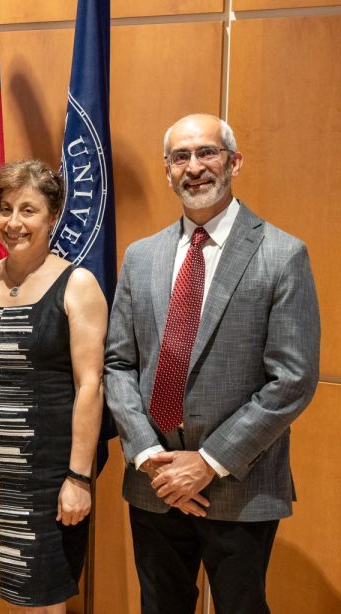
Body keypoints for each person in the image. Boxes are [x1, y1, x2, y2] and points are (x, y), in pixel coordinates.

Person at [104, 113, 320, 614]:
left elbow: (292, 379)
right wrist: (148, 457)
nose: (195, 167)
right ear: (167, 170)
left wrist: (206, 463)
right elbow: (118, 364)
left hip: (238, 484)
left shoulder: (282, 254)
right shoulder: (141, 256)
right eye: (181, 156)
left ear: (234, 162)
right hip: (153, 483)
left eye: (208, 153)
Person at [0, 160, 108, 612]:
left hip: (47, 473)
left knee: (43, 598)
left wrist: (78, 478)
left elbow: (90, 386)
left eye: (29, 210)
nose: (14, 223)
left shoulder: (77, 284)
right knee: (8, 590)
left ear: (53, 216)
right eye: (5, 209)